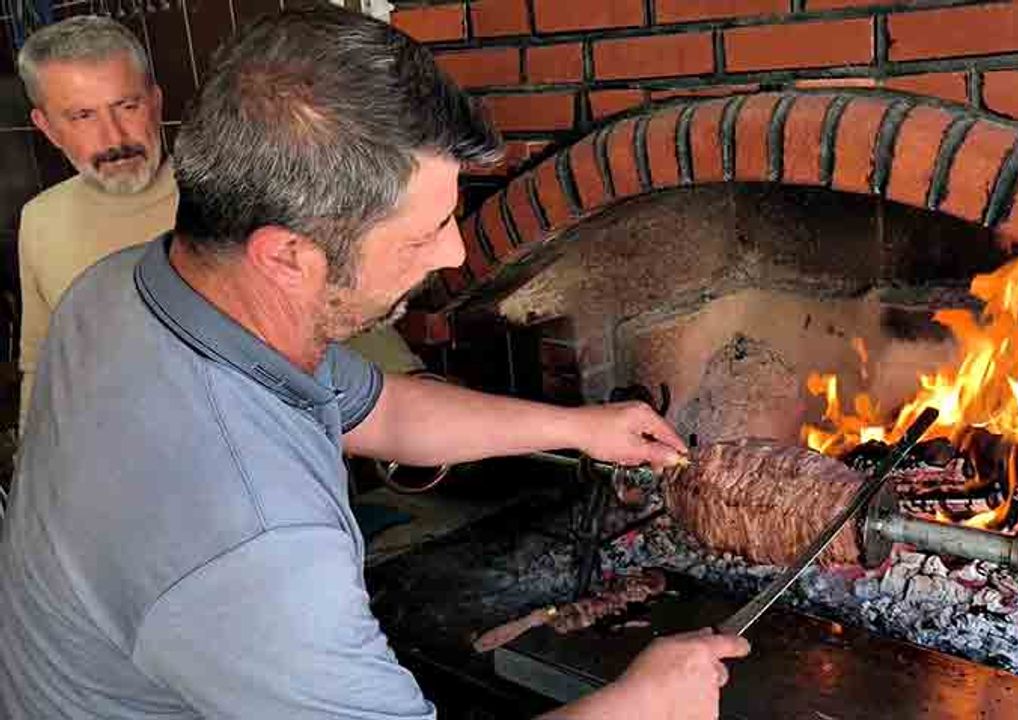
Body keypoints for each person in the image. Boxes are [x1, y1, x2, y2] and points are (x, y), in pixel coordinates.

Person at [0, 7, 749, 719]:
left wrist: (583, 428)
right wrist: (647, 702)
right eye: (425, 233)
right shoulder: (261, 547)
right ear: (289, 257)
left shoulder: (134, 289)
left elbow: (384, 409)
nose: (456, 252)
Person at [14, 15, 423, 429]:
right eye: (83, 116)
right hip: (127, 459)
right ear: (47, 127)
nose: (114, 137)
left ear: (155, 103)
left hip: (265, 444)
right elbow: (41, 363)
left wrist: (410, 392)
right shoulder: (39, 221)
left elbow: (337, 306)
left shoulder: (237, 192)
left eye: (127, 106)